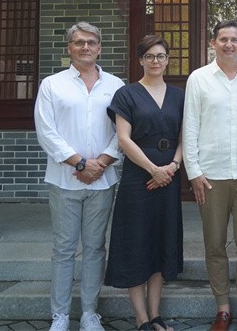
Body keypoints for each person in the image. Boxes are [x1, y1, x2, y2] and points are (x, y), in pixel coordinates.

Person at [34, 22, 124, 331]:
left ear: (100, 48)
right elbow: (46, 132)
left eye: (91, 42)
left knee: (95, 247)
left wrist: (101, 162)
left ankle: (89, 312)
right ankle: (59, 315)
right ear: (69, 48)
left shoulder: (115, 85)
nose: (85, 47)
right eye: (78, 42)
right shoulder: (52, 85)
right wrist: (81, 164)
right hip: (64, 180)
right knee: (64, 248)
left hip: (103, 180)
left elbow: (122, 131)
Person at [183, 20, 237, 331]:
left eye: (234, 39)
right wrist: (194, 171)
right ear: (213, 43)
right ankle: (222, 307)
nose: (229, 44)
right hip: (211, 176)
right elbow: (190, 126)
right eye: (223, 39)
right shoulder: (199, 79)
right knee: (215, 243)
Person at [105, 35, 184, 331]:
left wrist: (173, 166)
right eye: (149, 56)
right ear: (140, 60)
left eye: (160, 56)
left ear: (168, 60)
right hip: (139, 177)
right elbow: (123, 139)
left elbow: (186, 135)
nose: (155, 61)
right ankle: (141, 319)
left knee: (161, 240)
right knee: (136, 240)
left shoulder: (179, 95)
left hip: (170, 176)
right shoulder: (127, 94)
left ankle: (156, 315)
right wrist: (153, 169)